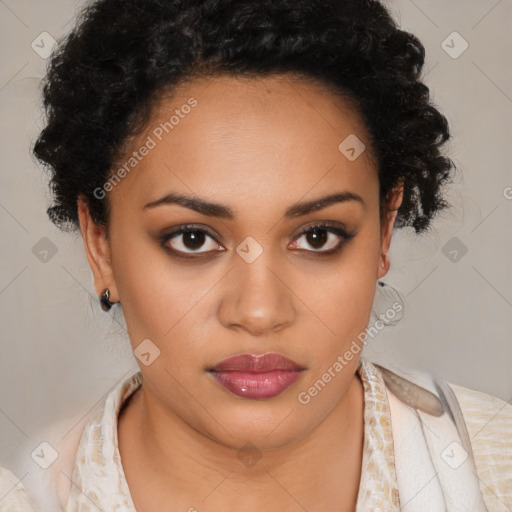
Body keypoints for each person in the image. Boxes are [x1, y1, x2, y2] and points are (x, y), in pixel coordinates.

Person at [2, 0, 510, 510]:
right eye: (193, 239)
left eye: (317, 237)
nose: (259, 312)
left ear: (383, 231)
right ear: (100, 245)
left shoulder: (497, 469)